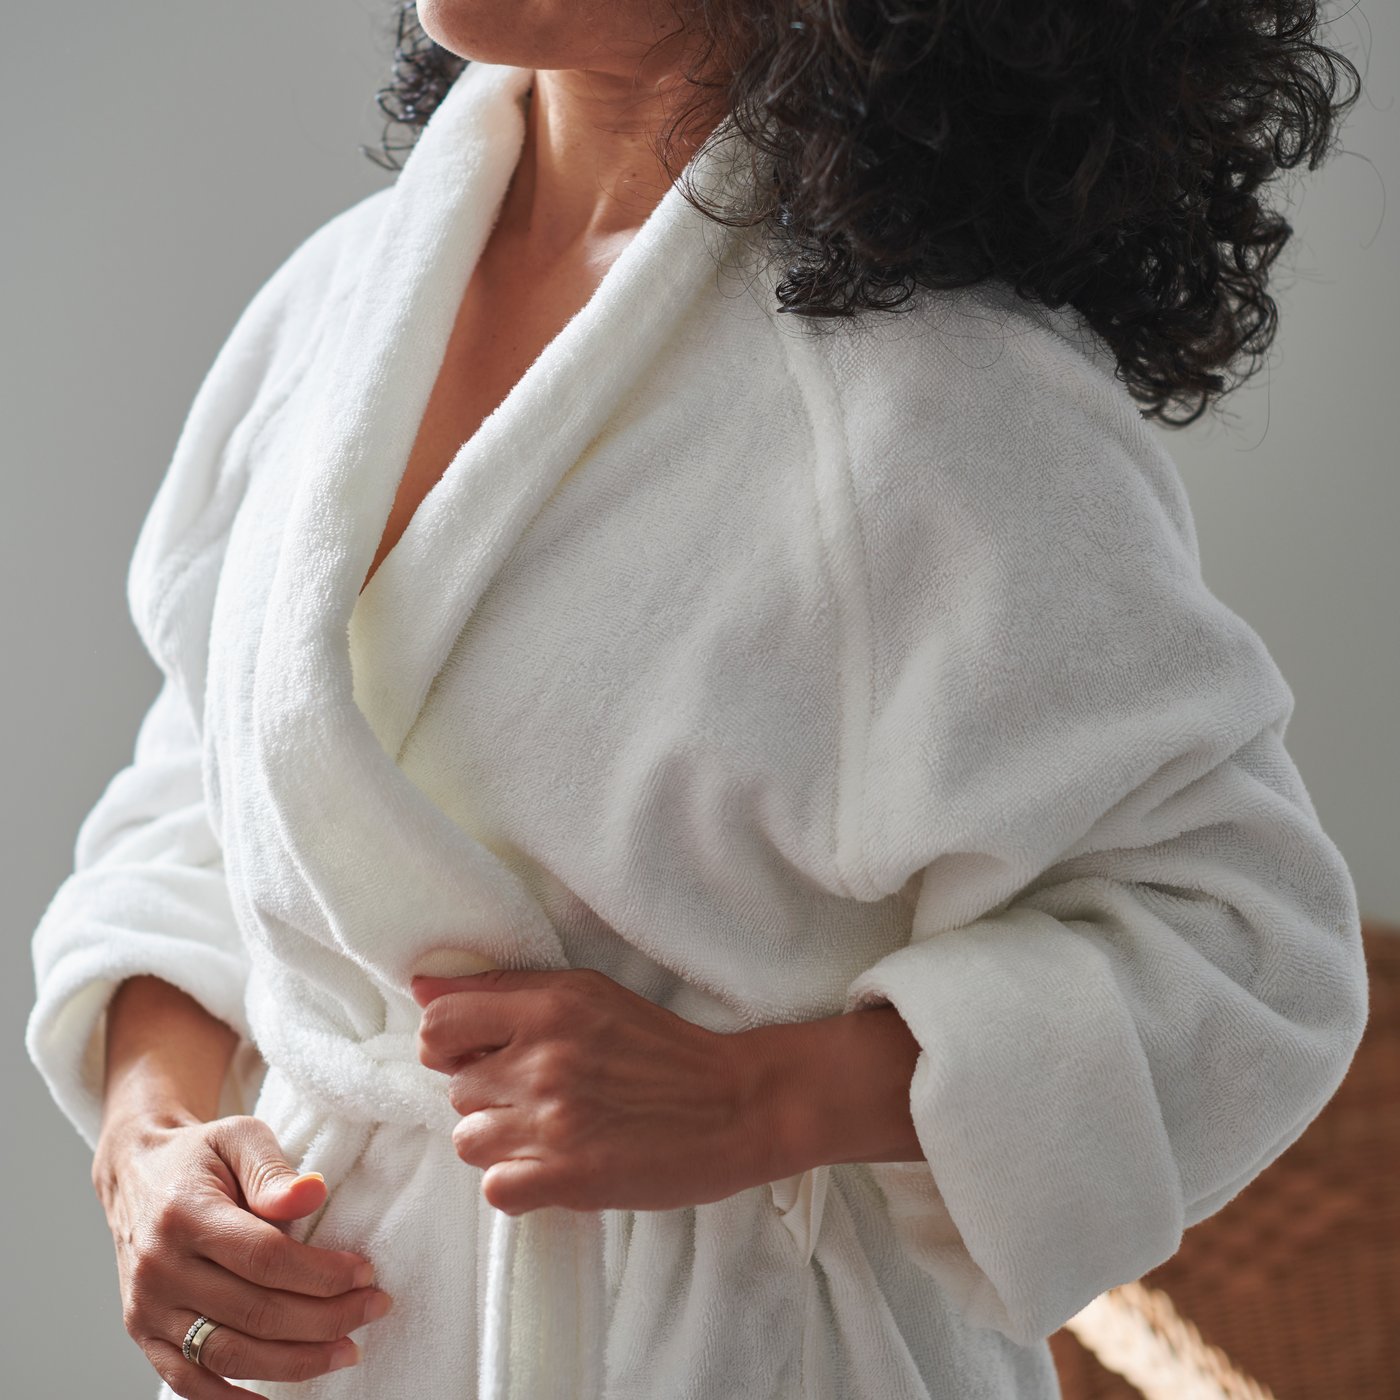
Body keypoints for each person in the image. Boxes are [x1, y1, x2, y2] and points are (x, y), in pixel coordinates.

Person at [27, 3, 1369, 1399]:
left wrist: (769, 1098)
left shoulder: (939, 399)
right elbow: (218, 777)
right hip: (327, 1340)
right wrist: (152, 1136)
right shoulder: (332, 308)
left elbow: (1248, 948)